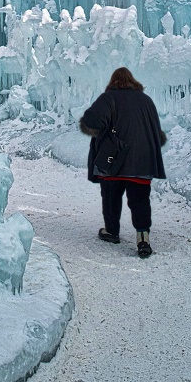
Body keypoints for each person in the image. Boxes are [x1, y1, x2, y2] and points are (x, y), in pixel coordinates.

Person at [80, 67, 166, 258]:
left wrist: (101, 130)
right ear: (132, 81)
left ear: (113, 82)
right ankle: (143, 239)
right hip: (142, 161)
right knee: (140, 200)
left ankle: (112, 231)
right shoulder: (146, 101)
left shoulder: (109, 97)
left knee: (111, 197)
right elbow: (156, 132)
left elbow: (91, 119)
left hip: (113, 160)